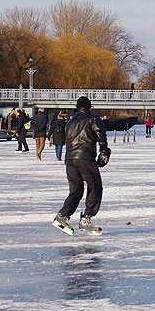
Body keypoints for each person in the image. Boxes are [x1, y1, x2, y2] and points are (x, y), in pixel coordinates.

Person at [53, 96, 110, 235]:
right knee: (95, 186)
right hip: (85, 158)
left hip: (70, 159)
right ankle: (86, 218)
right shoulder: (93, 119)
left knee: (76, 189)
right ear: (89, 107)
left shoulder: (71, 121)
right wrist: (104, 152)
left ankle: (62, 216)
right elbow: (100, 136)